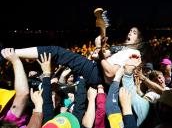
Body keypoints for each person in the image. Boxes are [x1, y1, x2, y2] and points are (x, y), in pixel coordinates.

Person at [1, 27, 143, 87]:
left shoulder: (134, 54)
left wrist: (99, 48)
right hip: (95, 70)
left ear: (139, 40)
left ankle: (10, 53)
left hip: (96, 73)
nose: (130, 33)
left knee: (57, 52)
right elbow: (102, 59)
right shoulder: (123, 50)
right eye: (130, 31)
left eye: (134, 32)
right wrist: (98, 52)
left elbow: (110, 73)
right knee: (57, 54)